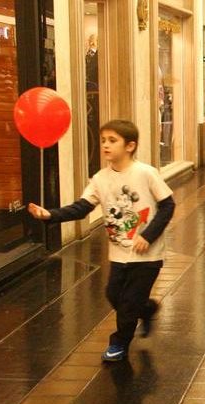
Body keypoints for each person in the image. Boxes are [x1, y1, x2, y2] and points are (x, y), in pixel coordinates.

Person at [27, 119, 176, 362]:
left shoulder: (146, 173)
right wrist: (50, 215)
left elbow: (168, 205)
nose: (106, 145)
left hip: (148, 254)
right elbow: (81, 208)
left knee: (127, 303)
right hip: (118, 253)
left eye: (112, 141)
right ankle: (147, 309)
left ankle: (119, 343)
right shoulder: (100, 178)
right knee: (114, 295)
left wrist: (148, 236)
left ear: (130, 146)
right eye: (104, 140)